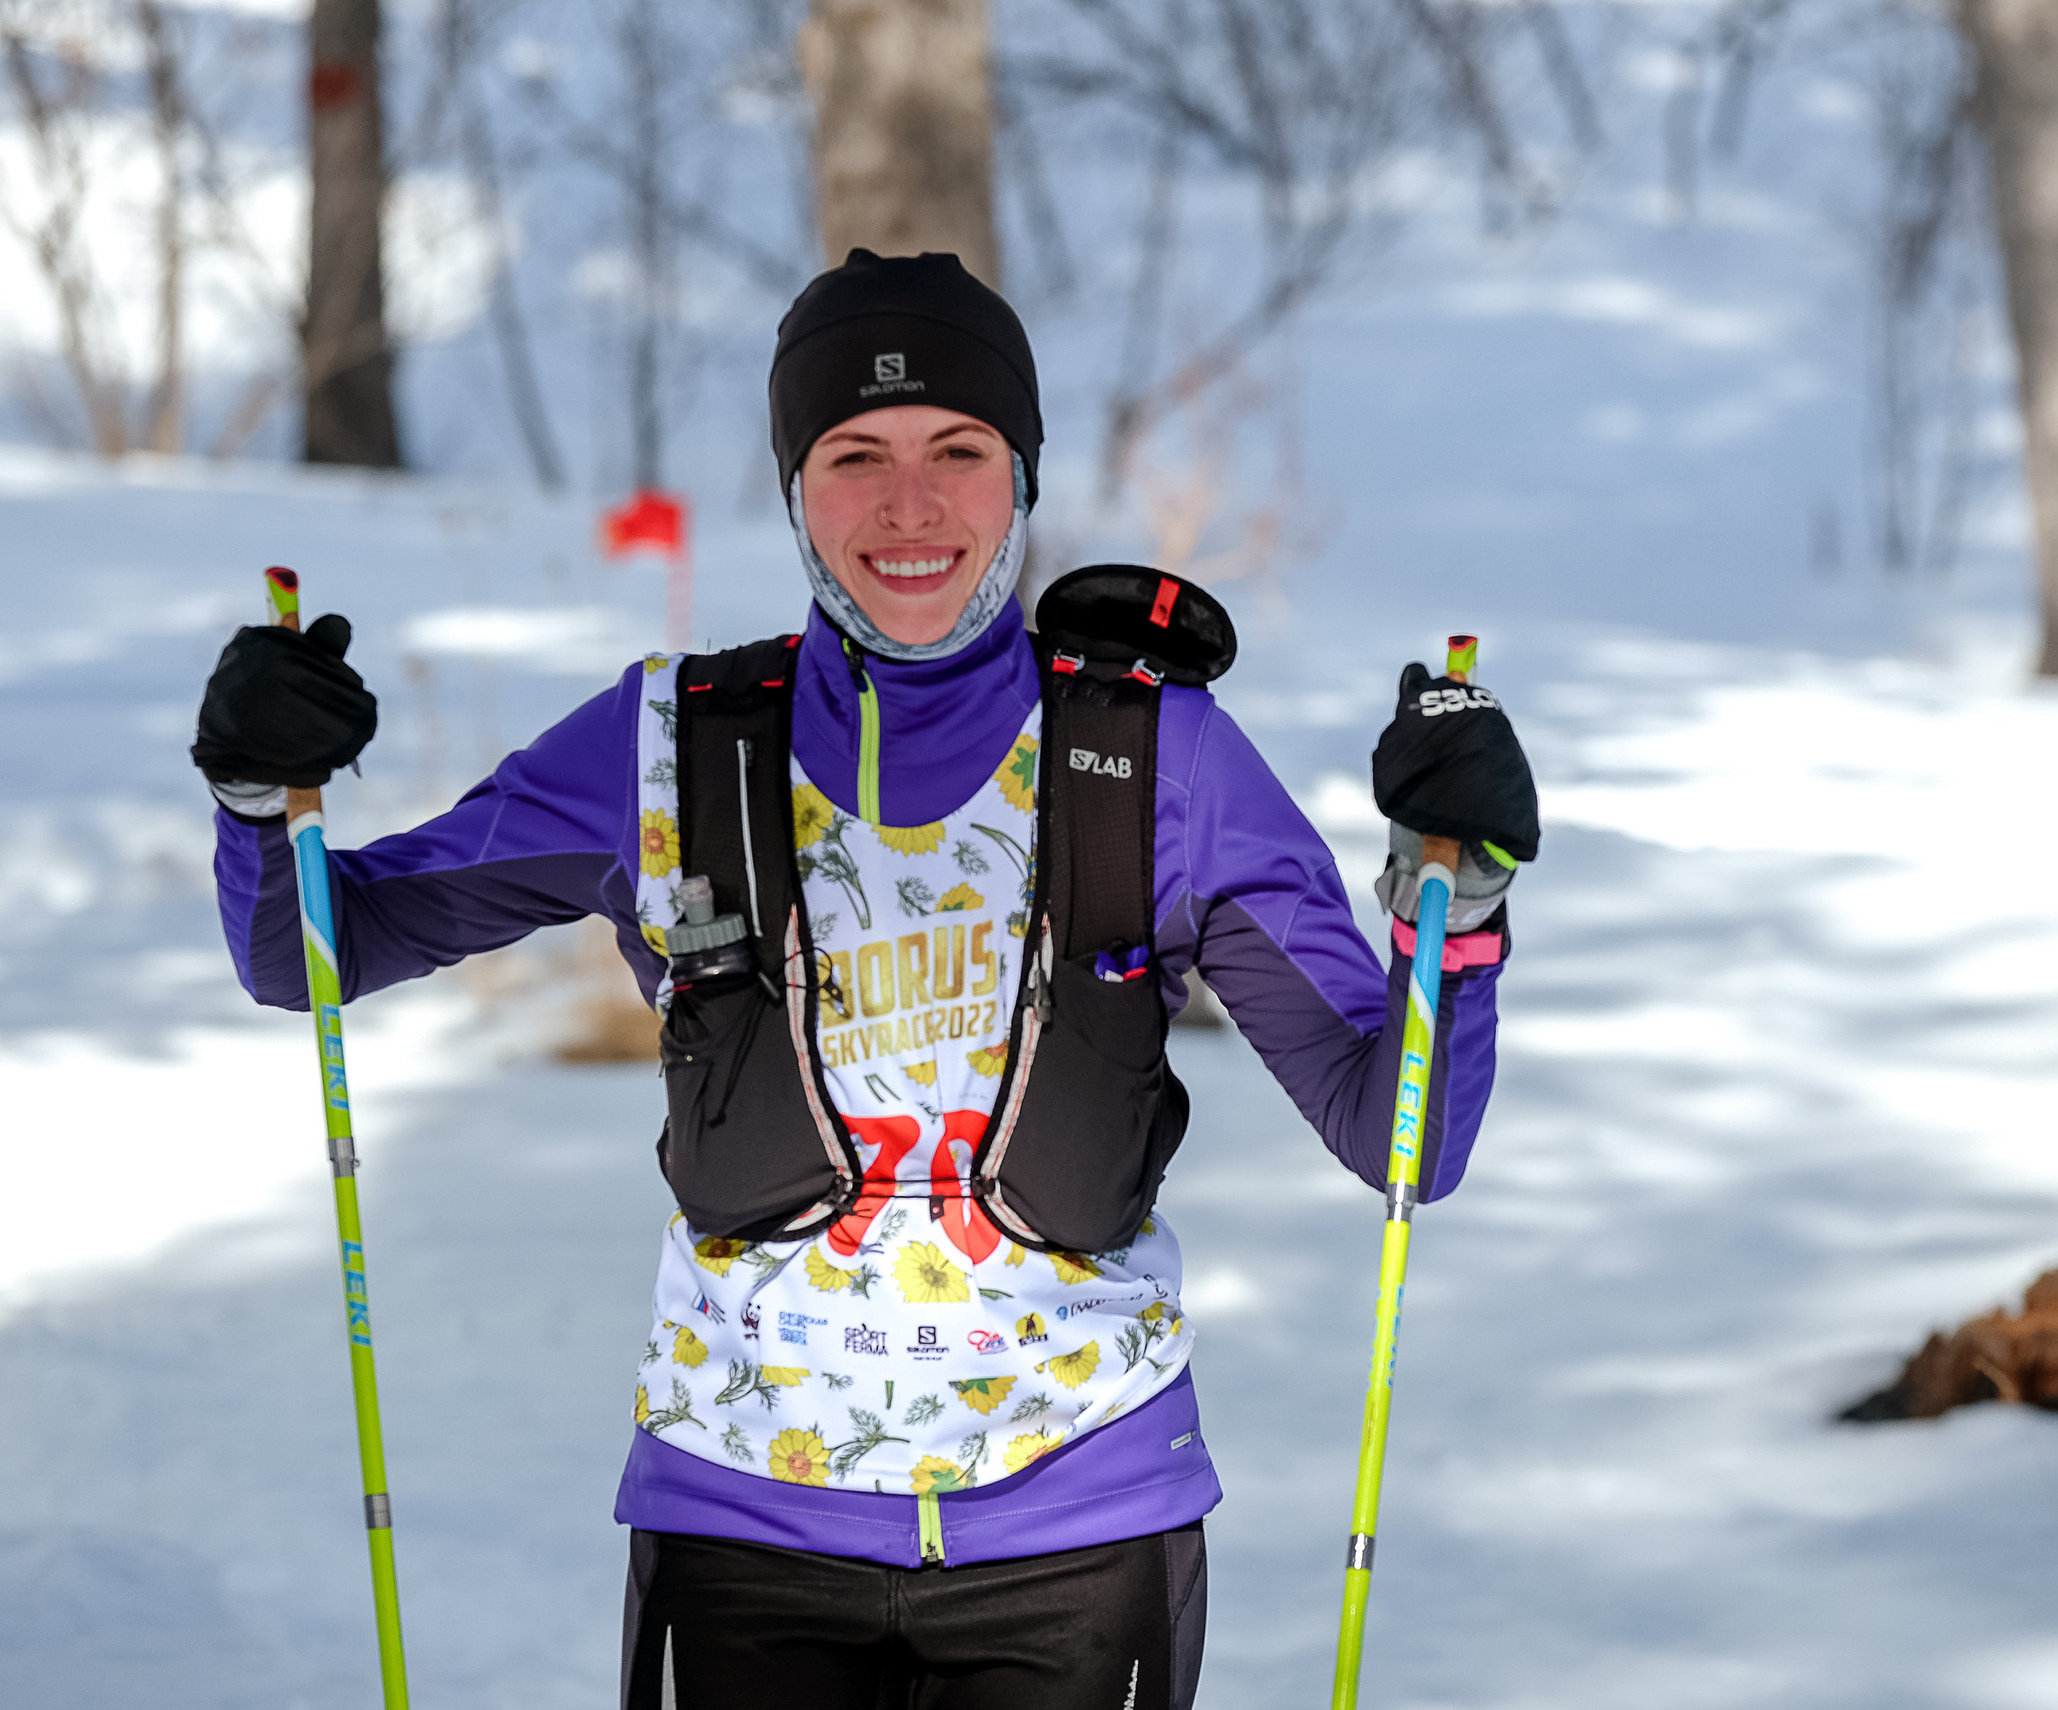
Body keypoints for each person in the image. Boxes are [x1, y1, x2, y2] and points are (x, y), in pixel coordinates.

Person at [191, 249, 1538, 1710]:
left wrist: (1453, 912)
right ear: (793, 487)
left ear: (1021, 475)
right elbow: (312, 954)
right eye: (857, 456)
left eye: (959, 450)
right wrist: (269, 800)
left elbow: (1399, 1132)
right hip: (743, 1519)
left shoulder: (1160, 759)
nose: (911, 506)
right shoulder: (666, 745)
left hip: (1078, 1526)